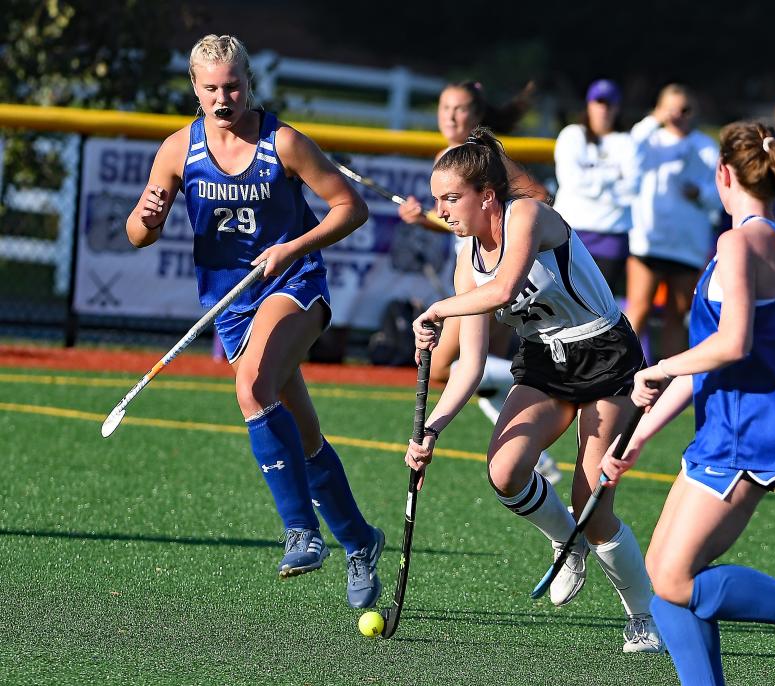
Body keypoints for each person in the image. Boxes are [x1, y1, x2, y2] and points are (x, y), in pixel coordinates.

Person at [601, 122, 775, 685]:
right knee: (664, 581)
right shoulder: (764, 239)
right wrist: (640, 437)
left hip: (748, 432)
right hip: (726, 428)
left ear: (724, 175)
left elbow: (731, 344)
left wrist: (660, 365)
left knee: (675, 581)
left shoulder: (741, 242)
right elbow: (713, 355)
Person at [125, 34, 385, 608]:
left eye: (233, 85)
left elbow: (352, 208)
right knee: (306, 437)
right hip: (231, 306)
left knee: (251, 386)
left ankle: (302, 533)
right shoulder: (176, 150)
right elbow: (138, 234)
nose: (223, 98)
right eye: (211, 88)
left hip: (292, 288)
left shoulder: (283, 142)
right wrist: (147, 218)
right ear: (194, 89)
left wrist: (295, 248)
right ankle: (361, 541)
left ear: (249, 83)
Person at [404, 127, 663, 654]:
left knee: (592, 504)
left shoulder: (528, 216)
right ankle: (562, 543)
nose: (443, 211)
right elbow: (471, 364)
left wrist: (437, 311)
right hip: (546, 359)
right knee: (504, 471)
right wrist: (432, 429)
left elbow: (502, 289)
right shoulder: (465, 256)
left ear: (486, 195)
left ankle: (645, 617)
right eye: (437, 200)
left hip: (605, 355)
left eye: (451, 198)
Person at [398, 81, 561, 484]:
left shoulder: (481, 159)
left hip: (498, 275)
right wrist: (426, 220)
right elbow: (459, 224)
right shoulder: (445, 160)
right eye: (444, 108)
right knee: (463, 367)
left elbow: (538, 198)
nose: (451, 117)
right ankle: (533, 439)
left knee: (444, 367)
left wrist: (503, 251)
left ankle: (554, 390)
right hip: (469, 273)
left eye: (461, 109)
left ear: (477, 115)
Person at [626, 84, 722, 363]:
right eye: (671, 108)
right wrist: (654, 119)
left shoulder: (706, 147)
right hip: (649, 240)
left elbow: (720, 194)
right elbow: (629, 151)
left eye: (685, 109)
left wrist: (701, 194)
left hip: (687, 245)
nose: (678, 115)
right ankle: (619, 378)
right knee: (639, 310)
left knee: (676, 316)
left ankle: (667, 382)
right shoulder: (649, 139)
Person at [553, 79, 637, 293]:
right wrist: (612, 178)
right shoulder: (572, 135)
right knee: (565, 299)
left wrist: (590, 182)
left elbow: (632, 189)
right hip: (571, 230)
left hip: (611, 235)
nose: (604, 109)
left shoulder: (628, 142)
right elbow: (570, 180)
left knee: (600, 303)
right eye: (599, 102)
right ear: (589, 105)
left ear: (617, 107)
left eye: (609, 104)